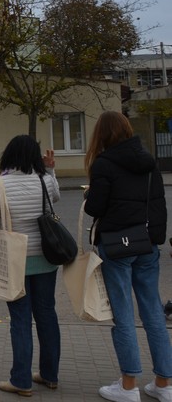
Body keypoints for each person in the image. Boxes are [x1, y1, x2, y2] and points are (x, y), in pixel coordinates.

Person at [83, 111, 171, 402]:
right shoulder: (149, 163)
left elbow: (96, 207)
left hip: (118, 246)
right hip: (147, 245)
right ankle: (164, 383)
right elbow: (158, 205)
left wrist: (89, 194)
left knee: (123, 316)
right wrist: (155, 238)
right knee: (154, 313)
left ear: (102, 135)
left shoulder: (104, 164)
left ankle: (129, 385)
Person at [0, 135, 61, 396]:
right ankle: (49, 375)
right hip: (47, 259)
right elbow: (55, 198)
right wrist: (50, 169)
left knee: (21, 319)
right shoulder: (44, 179)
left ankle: (21, 380)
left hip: (15, 262)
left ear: (9, 155)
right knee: (47, 314)